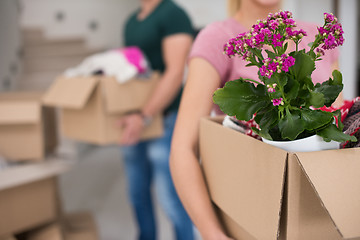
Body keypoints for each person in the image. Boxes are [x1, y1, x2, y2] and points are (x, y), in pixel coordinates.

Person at [169, 0, 341, 239]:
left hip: (322, 216)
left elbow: (339, 124)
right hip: (251, 213)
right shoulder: (218, 37)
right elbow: (182, 148)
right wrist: (212, 233)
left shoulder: (316, 36)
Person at [118, 0, 194, 240]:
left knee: (171, 198)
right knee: (137, 194)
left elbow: (174, 73)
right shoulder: (131, 21)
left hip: (165, 118)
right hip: (135, 119)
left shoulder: (173, 14)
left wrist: (145, 115)